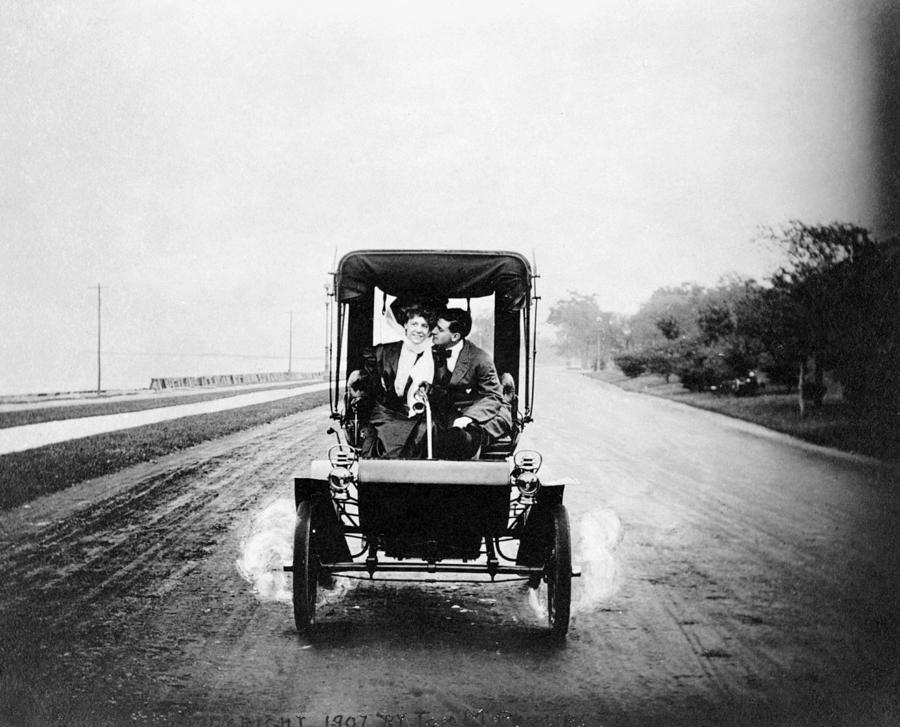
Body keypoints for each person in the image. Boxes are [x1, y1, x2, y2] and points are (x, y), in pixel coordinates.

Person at [347, 302, 437, 459]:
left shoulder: (436, 356)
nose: (418, 330)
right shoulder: (383, 352)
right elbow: (370, 381)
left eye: (424, 326)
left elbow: (443, 388)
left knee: (425, 433)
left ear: (429, 330)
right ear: (405, 326)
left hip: (420, 416)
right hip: (386, 413)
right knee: (383, 444)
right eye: (414, 324)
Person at [429, 308, 512, 459]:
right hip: (448, 411)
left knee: (467, 436)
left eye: (440, 329)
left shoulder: (480, 358)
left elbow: (493, 396)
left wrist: (469, 418)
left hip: (482, 410)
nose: (433, 331)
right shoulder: (431, 353)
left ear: (455, 336)